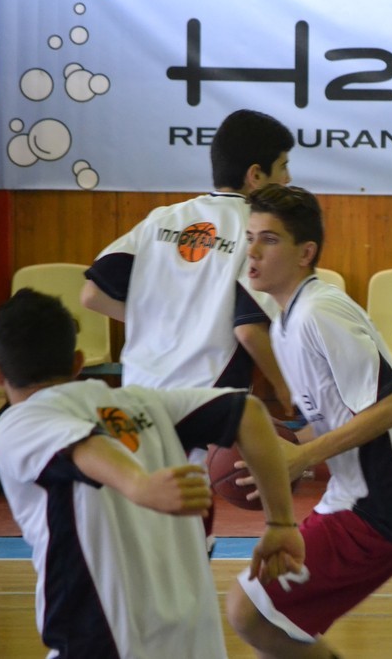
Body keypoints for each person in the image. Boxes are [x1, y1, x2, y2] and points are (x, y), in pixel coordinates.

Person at [0, 289, 304, 658]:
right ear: (78, 362)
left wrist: (139, 485)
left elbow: (83, 445)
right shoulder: (144, 403)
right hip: (195, 647)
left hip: (103, 644)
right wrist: (281, 523)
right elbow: (249, 412)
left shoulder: (18, 423)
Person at [225, 184, 392, 658]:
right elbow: (322, 421)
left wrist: (301, 457)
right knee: (274, 625)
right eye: (249, 238)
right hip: (355, 493)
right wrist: (270, 451)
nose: (253, 251)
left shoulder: (319, 311)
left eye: (269, 239)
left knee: (250, 611)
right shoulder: (285, 323)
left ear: (305, 252)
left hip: (387, 501)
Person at [81, 109, 296, 552]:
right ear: (256, 175)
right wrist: (284, 385)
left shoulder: (162, 218)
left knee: (143, 523)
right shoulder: (257, 231)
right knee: (186, 529)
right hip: (203, 397)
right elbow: (248, 330)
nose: (289, 178)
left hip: (139, 391)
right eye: (283, 166)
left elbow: (92, 295)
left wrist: (159, 319)